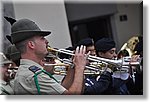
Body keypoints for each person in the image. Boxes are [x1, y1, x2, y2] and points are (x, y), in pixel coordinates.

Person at [10, 18, 87, 95]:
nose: (47, 41)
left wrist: (73, 66)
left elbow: (61, 90)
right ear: (31, 45)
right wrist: (80, 67)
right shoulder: (34, 75)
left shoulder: (30, 72)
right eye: (42, 38)